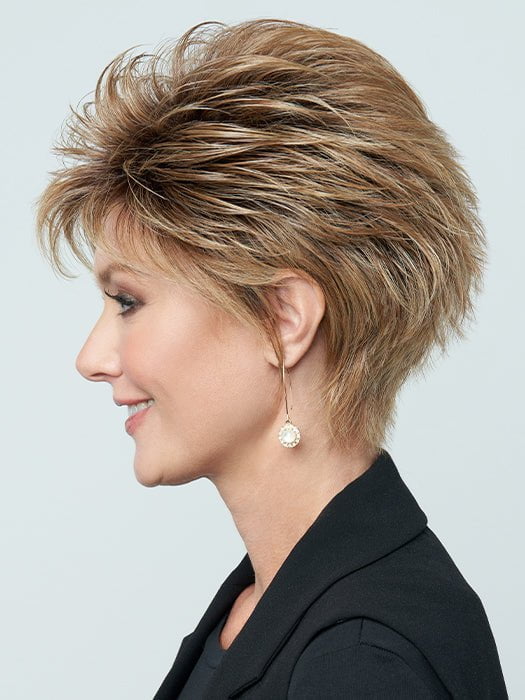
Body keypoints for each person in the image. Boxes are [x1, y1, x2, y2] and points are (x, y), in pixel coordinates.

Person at [35, 17, 508, 699]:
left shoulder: (361, 659)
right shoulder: (275, 601)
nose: (92, 358)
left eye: (128, 301)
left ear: (282, 319)